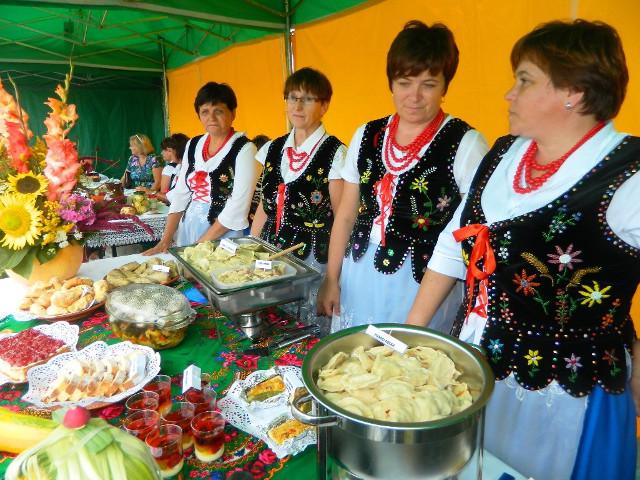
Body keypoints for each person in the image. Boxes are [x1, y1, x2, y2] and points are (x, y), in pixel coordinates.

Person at [406, 19, 638, 480]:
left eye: (525, 80)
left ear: (573, 91)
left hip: (562, 392)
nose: (509, 94)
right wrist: (410, 334)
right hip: (475, 366)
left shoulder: (628, 174)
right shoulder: (504, 153)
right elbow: (453, 247)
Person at [317, 21, 487, 333]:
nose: (415, 96)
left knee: (410, 358)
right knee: (355, 354)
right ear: (391, 83)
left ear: (445, 86)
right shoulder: (366, 135)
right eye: (405, 82)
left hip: (425, 282)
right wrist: (331, 277)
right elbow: (346, 214)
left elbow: (472, 232)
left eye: (429, 84)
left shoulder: (466, 143)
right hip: (358, 272)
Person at [251, 68, 346, 328]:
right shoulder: (272, 148)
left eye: (308, 99)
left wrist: (333, 279)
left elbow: (342, 220)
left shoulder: (336, 154)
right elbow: (265, 208)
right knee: (270, 326)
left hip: (313, 261)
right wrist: (251, 250)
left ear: (324, 105)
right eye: (292, 98)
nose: (298, 106)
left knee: (306, 331)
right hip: (270, 253)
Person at [143, 82, 258, 253]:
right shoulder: (193, 144)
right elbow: (181, 194)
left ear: (233, 113)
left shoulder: (245, 149)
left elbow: (237, 208)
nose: (211, 118)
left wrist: (196, 248)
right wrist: (165, 241)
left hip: (223, 233)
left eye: (218, 111)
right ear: (199, 115)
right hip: (189, 226)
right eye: (205, 112)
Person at [157, 133, 189, 204]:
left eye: (164, 150)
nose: (161, 153)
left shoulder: (187, 171)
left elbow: (171, 199)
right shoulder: (178, 167)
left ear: (171, 150)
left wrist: (150, 192)